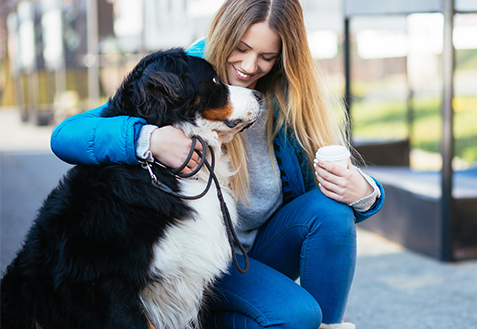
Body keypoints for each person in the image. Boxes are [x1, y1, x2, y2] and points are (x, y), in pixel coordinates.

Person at [50, 0, 384, 328]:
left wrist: (366, 193)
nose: (250, 66)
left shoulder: (286, 99)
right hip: (195, 260)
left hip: (256, 259)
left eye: (267, 57)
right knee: (294, 316)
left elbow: (322, 203)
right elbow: (66, 135)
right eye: (242, 48)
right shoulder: (182, 77)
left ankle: (324, 324)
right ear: (224, 34)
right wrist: (149, 139)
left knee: (332, 212)